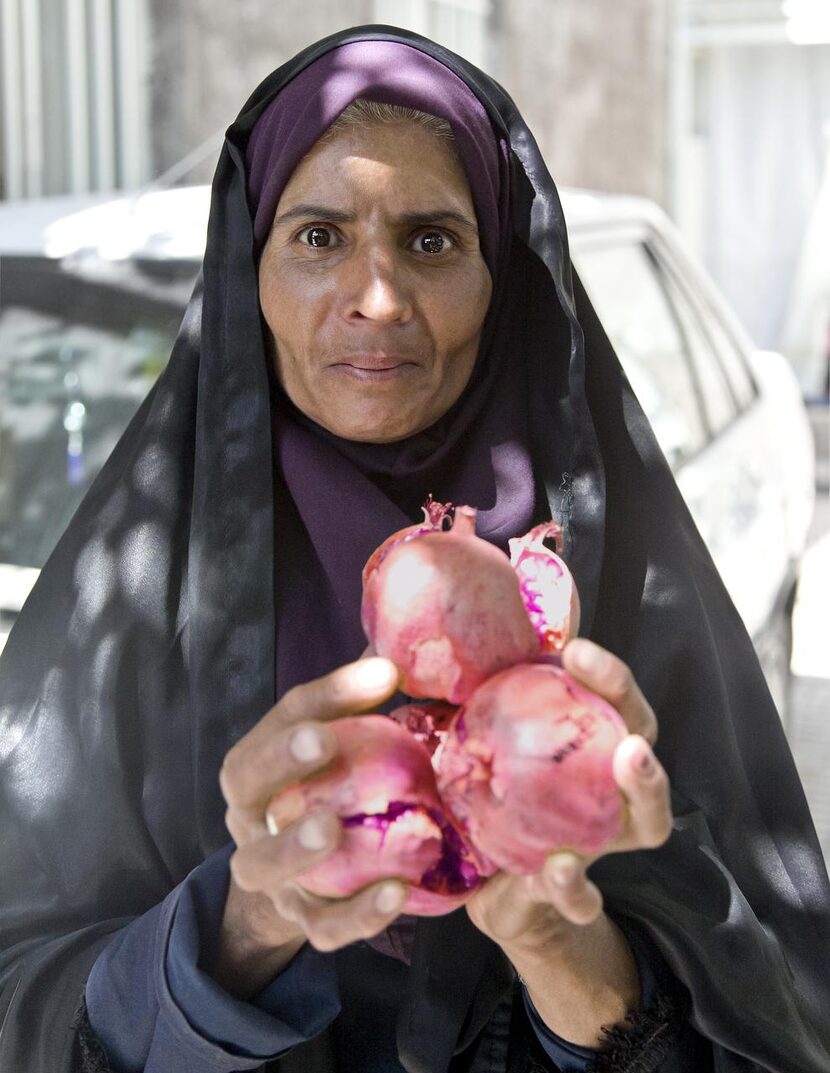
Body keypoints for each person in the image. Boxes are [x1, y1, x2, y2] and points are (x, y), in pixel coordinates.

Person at [0, 24, 828, 1073]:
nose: (377, 296)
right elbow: (19, 996)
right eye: (315, 237)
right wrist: (249, 917)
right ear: (245, 273)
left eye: (431, 240)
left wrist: (563, 949)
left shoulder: (613, 589)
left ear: (503, 278)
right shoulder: (132, 594)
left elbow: (773, 1009)